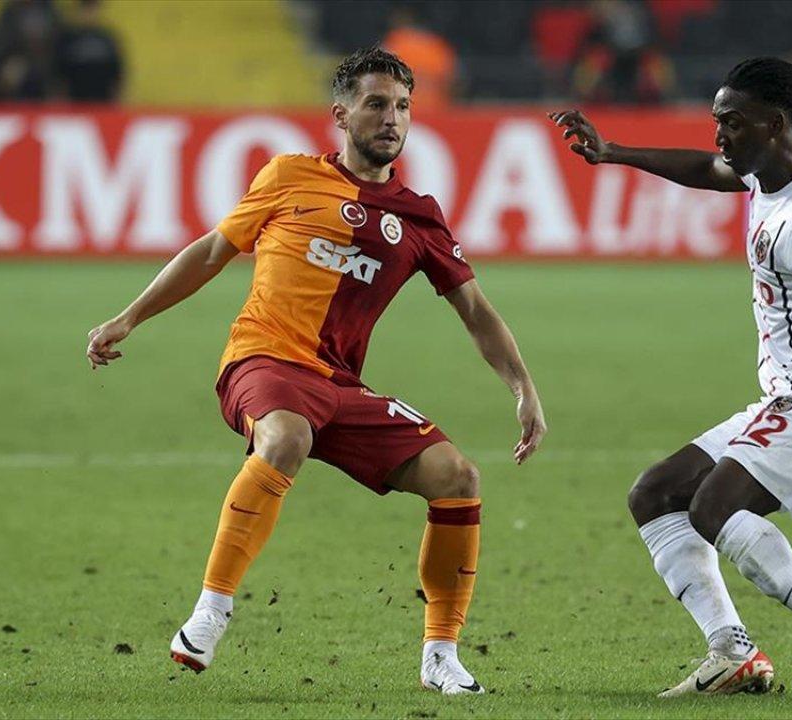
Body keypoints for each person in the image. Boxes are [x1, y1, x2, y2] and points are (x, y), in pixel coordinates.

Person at [85, 47, 546, 695]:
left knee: (458, 478)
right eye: (377, 103)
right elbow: (212, 252)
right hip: (263, 361)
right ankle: (211, 609)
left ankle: (441, 654)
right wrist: (128, 318)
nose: (392, 118)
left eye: (403, 106)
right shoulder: (288, 176)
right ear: (342, 114)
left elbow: (474, 310)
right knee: (285, 436)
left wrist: (523, 388)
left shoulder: (418, 215)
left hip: (339, 388)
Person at [549, 56, 792, 701]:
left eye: (732, 122)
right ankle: (733, 654)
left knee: (714, 507)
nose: (719, 135)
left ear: (775, 123)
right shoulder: (772, 173)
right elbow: (710, 171)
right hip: (790, 395)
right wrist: (613, 152)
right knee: (655, 494)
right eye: (718, 120)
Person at [380, 7, 456, 109]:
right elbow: (453, 83)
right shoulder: (437, 45)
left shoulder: (393, 43)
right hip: (436, 109)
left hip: (404, 109)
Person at [55, 0, 124, 102]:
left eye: (92, 9)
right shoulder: (68, 39)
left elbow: (117, 72)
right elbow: (60, 73)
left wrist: (116, 97)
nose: (89, 14)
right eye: (86, 10)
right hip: (75, 101)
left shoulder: (107, 39)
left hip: (103, 100)